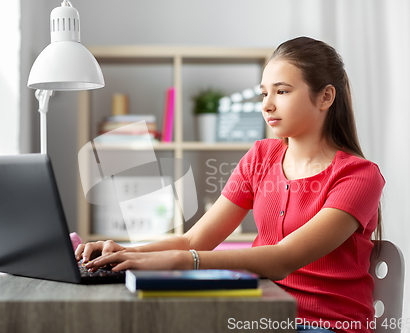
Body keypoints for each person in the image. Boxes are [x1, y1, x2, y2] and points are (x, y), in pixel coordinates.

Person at [76, 36, 384, 333]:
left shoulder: (359, 176)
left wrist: (183, 262)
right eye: (264, 93)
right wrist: (125, 254)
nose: (267, 105)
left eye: (282, 91)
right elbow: (193, 240)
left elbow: (282, 259)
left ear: (325, 97)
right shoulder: (260, 156)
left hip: (325, 325)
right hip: (258, 316)